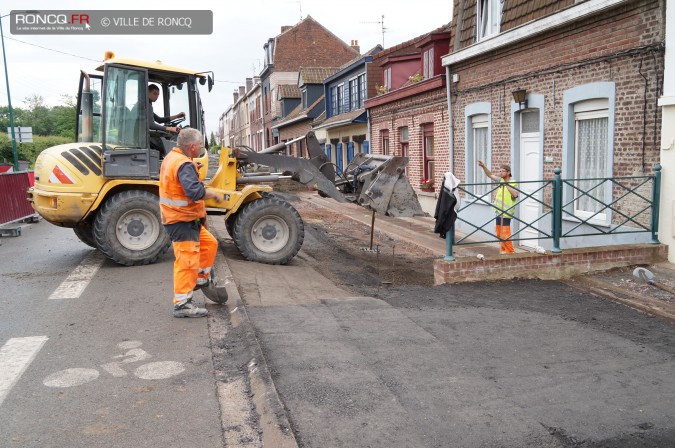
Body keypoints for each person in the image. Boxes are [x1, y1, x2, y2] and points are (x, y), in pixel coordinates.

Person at [159, 128, 222, 318]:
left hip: (184, 218)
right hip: (181, 219)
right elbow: (194, 192)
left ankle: (201, 280)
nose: (202, 148)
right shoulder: (183, 164)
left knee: (210, 244)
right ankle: (182, 304)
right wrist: (213, 193)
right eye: (201, 145)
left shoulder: (174, 157)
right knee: (186, 262)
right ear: (192, 146)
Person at [478, 161, 519, 254]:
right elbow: (490, 175)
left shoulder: (513, 182)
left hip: (507, 212)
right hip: (498, 211)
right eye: (500, 171)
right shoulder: (500, 180)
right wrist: (484, 166)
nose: (501, 173)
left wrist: (506, 184)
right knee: (498, 233)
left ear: (508, 172)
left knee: (505, 234)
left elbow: (515, 194)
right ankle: (503, 250)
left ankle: (510, 252)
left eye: (503, 171)